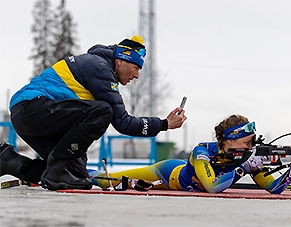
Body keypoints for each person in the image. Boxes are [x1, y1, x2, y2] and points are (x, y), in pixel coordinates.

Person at [0, 35, 187, 191]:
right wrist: (164, 124)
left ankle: (9, 162)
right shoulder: (100, 68)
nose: (136, 75)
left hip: (31, 114)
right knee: (103, 111)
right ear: (121, 61)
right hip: (32, 108)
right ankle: (55, 169)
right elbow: (122, 122)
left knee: (78, 178)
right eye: (136, 68)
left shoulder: (98, 68)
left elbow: (78, 124)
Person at [89, 114, 291, 194]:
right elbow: (212, 186)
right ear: (230, 139)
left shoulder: (247, 157)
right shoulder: (202, 152)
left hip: (181, 180)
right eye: (247, 142)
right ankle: (82, 173)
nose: (251, 147)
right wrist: (243, 168)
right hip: (168, 173)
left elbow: (275, 188)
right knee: (105, 180)